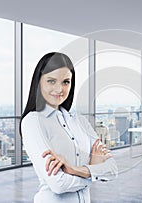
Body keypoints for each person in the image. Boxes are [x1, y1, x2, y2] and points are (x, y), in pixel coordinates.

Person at [20, 52, 118, 203]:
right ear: (38, 82)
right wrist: (93, 171)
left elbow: (112, 170)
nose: (59, 89)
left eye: (65, 82)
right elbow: (58, 184)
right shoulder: (33, 122)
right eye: (51, 81)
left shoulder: (80, 121)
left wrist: (73, 170)